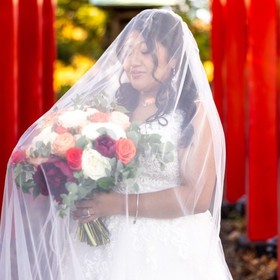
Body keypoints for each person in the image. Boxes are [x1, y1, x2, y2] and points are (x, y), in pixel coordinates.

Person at [0, 8, 233, 280]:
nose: (132, 61)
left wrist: (114, 204)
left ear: (173, 60)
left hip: (167, 245)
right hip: (104, 242)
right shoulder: (112, 109)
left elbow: (196, 198)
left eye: (145, 51)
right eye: (129, 51)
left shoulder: (194, 114)